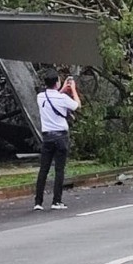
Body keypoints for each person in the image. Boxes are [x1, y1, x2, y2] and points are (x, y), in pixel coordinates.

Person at [34, 74, 81, 211]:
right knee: (59, 170)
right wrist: (72, 89)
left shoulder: (40, 96)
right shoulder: (63, 98)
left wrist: (61, 89)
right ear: (57, 82)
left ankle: (38, 201)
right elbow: (77, 105)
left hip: (47, 137)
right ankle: (56, 201)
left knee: (44, 169)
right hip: (61, 137)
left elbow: (51, 99)